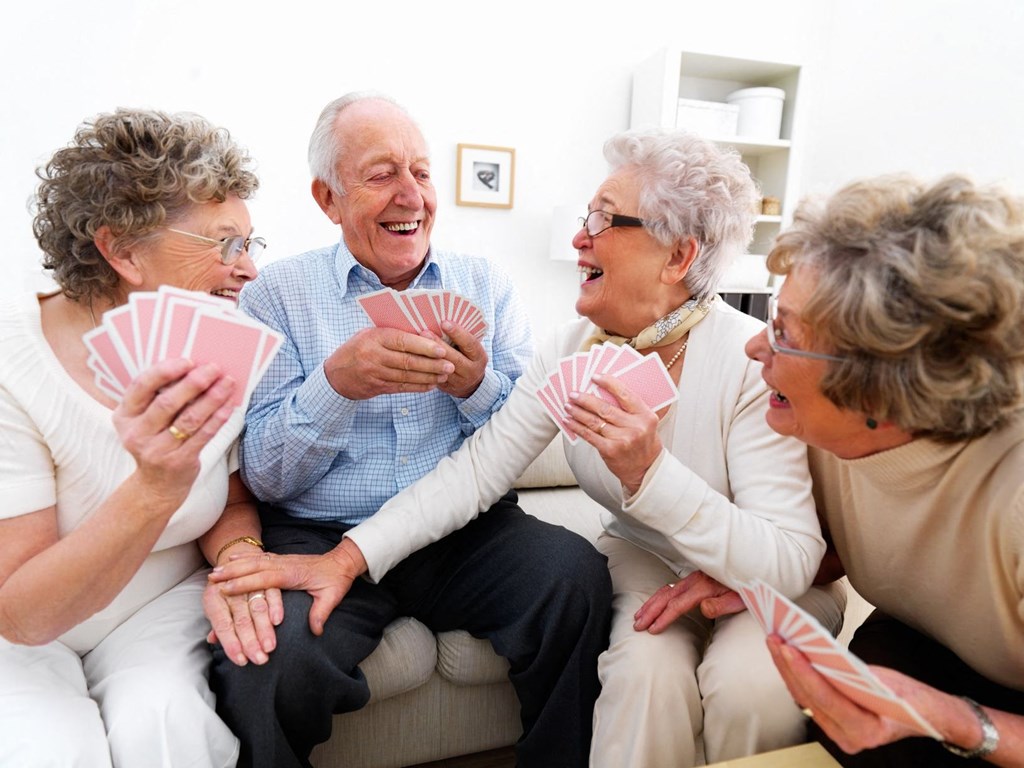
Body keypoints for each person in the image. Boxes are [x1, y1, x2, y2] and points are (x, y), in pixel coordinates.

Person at [213, 126, 843, 766]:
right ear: (329, 198)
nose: (578, 237)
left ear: (679, 257)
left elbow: (792, 557)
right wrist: (345, 554)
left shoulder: (750, 360)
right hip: (646, 560)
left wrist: (648, 472)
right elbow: (479, 469)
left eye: (602, 219)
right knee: (641, 676)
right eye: (585, 216)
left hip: (762, 575)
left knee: (747, 688)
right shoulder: (575, 349)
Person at [206, 91, 612, 768]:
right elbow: (267, 476)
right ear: (328, 199)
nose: (411, 195)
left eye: (421, 173)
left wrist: (473, 386)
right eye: (381, 174)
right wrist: (335, 388)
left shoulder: (485, 285)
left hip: (462, 530)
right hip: (319, 532)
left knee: (575, 578)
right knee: (263, 664)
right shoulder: (272, 297)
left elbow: (524, 435)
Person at [0, 108, 276, 768]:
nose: (249, 271)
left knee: (165, 727)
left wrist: (240, 556)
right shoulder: (14, 364)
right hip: (28, 627)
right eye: (225, 245)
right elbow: (23, 615)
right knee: (48, 749)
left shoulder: (222, 337)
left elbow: (231, 497)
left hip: (158, 606)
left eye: (250, 243)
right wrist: (155, 488)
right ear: (121, 251)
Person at [741, 174, 1024, 766]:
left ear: (881, 392)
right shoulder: (816, 428)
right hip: (918, 659)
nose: (756, 348)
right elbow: (859, 539)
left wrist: (960, 721)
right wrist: (742, 569)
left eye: (784, 333)